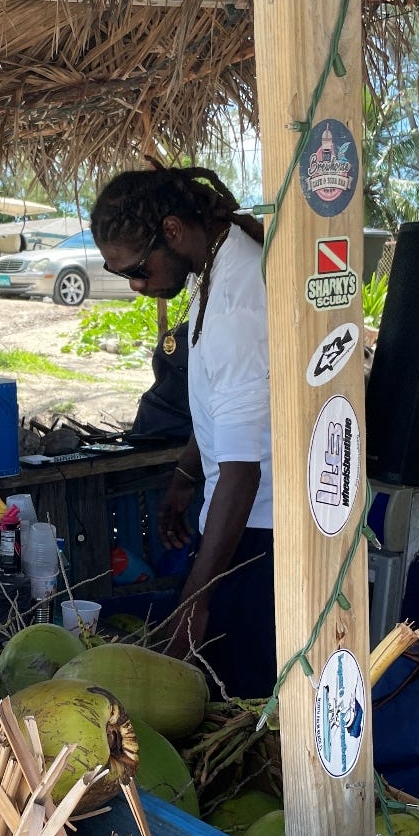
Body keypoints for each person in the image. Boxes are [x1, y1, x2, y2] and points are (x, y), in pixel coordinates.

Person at [90, 164, 275, 701]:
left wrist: (197, 597)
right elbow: (222, 403)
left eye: (139, 269)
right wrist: (186, 472)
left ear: (172, 231)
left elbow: (242, 472)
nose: (137, 285)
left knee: (241, 705)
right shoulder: (214, 269)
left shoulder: (240, 303)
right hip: (234, 518)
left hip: (257, 531)